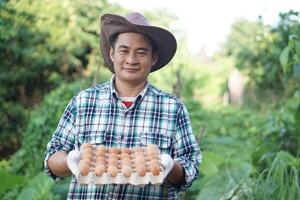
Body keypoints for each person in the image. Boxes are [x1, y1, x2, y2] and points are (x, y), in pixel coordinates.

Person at [44, 12, 201, 199]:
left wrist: (170, 166)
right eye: (124, 50)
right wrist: (70, 161)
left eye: (141, 52)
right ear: (112, 54)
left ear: (154, 58)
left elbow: (190, 166)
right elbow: (53, 155)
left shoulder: (173, 108)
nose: (131, 60)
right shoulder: (83, 102)